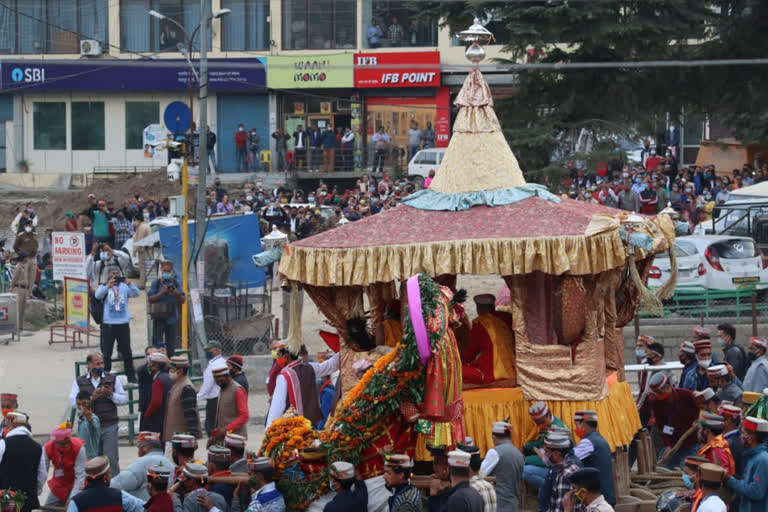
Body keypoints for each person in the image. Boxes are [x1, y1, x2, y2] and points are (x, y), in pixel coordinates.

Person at [69, 352, 128, 475]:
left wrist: (111, 395)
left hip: (109, 425)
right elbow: (73, 403)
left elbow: (124, 399)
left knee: (111, 458)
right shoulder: (80, 381)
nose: (100, 366)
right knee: (91, 459)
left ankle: (114, 486)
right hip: (89, 427)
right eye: (97, 363)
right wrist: (91, 398)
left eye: (102, 363)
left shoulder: (112, 378)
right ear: (90, 365)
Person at [265, 345, 340, 428]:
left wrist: (268, 431)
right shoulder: (310, 368)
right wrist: (344, 350)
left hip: (292, 429)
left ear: (287, 356)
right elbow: (330, 365)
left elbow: (276, 409)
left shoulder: (284, 376)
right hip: (311, 426)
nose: (277, 359)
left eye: (279, 355)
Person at [94, 269, 140, 382]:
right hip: (108, 324)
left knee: (127, 352)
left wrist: (129, 283)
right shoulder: (104, 285)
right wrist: (107, 287)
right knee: (107, 353)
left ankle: (131, 376)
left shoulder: (124, 286)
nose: (115, 275)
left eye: (117, 273)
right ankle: (105, 377)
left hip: (123, 323)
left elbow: (136, 293)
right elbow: (97, 296)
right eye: (113, 273)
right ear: (109, 274)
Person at [649, 372, 700, 469]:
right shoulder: (657, 403)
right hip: (672, 444)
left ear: (668, 386)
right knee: (661, 469)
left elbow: (701, 408)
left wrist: (698, 421)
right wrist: (668, 445)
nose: (659, 396)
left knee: (687, 472)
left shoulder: (686, 395)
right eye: (656, 393)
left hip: (691, 443)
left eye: (660, 392)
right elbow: (662, 426)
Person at [462, 294, 516, 385]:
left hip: (490, 373)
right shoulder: (508, 317)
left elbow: (471, 351)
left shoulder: (480, 323)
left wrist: (462, 360)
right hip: (514, 367)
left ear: (478, 309)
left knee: (458, 369)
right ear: (493, 306)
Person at [0, 412, 44, 512]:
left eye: (7, 424)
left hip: (5, 501)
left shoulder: (3, 444)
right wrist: (34, 491)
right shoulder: (38, 447)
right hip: (27, 501)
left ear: (13, 425)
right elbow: (42, 475)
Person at [67, 457, 145, 512]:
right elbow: (144, 507)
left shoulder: (76, 501)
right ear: (105, 477)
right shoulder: (120, 496)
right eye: (109, 473)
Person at [110, 432, 172, 500]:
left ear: (145, 448)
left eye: (139, 447)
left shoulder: (143, 462)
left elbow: (119, 483)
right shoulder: (170, 464)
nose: (138, 452)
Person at [572, 411, 616, 506]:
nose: (576, 429)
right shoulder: (600, 439)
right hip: (606, 495)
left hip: (598, 499)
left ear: (583, 425)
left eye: (576, 425)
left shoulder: (588, 442)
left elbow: (568, 458)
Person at [725, 417, 768, 510]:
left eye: (743, 433)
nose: (741, 436)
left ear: (752, 437)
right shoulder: (752, 456)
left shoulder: (762, 459)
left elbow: (756, 492)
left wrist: (730, 480)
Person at [479, 421, 522, 511]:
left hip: (499, 504)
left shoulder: (494, 452)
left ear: (493, 437)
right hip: (514, 504)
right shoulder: (519, 454)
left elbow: (479, 475)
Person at [523, 402, 567, 489]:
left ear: (547, 415)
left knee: (524, 470)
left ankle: (549, 490)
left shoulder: (557, 429)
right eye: (535, 422)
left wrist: (526, 460)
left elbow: (549, 460)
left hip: (556, 467)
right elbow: (540, 442)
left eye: (539, 421)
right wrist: (526, 446)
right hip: (545, 457)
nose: (537, 424)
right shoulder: (546, 424)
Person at [148, 260, 186, 356]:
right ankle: (159, 364)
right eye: (165, 271)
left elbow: (183, 300)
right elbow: (150, 299)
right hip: (159, 318)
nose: (166, 273)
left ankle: (170, 366)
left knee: (171, 345)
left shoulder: (176, 283)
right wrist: (162, 292)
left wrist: (176, 292)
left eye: (168, 272)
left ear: (171, 271)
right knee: (157, 345)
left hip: (172, 318)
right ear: (161, 270)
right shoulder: (156, 283)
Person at [42, 423, 87, 506]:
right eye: (62, 444)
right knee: (47, 508)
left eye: (68, 442)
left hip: (79, 484)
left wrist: (72, 498)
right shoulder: (47, 448)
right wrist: (36, 490)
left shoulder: (79, 447)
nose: (66, 445)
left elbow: (80, 476)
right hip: (59, 485)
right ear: (55, 442)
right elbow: (42, 472)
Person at [163, 356, 202, 442]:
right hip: (175, 438)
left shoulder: (186, 388)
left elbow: (191, 415)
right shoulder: (177, 384)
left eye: (171, 369)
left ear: (179, 371)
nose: (169, 372)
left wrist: (192, 438)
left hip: (181, 440)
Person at [210, 361, 249, 441]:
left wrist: (226, 430)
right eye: (216, 380)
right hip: (223, 438)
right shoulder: (222, 388)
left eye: (220, 379)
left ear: (227, 376)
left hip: (236, 439)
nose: (218, 382)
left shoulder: (237, 390)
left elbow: (244, 416)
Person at [542, 434, 581, 512]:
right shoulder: (563, 469)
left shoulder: (566, 474)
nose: (545, 454)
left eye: (546, 451)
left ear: (556, 454)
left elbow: (560, 508)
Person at [142, 353, 173, 438]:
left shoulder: (158, 380)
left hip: (159, 419)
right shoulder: (169, 376)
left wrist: (146, 415)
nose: (149, 366)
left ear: (156, 366)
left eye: (151, 364)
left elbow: (156, 403)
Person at [197, 340, 225, 435]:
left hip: (214, 399)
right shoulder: (221, 362)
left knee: (212, 426)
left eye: (210, 350)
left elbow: (208, 385)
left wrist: (198, 397)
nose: (207, 352)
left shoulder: (215, 365)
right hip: (219, 397)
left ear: (217, 350)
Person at [9, 251, 33, 334]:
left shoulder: (24, 266)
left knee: (23, 310)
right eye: (26, 257)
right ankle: (16, 329)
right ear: (23, 258)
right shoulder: (18, 267)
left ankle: (21, 328)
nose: (27, 258)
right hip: (18, 289)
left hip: (24, 290)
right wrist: (11, 289)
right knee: (18, 309)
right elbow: (14, 279)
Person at [719, 404, 744, 479]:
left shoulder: (731, 443)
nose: (718, 422)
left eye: (721, 419)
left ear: (729, 421)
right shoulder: (732, 438)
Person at [74, 391, 101, 459]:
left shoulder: (94, 418)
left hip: (91, 457)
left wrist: (89, 418)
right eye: (78, 404)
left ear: (89, 403)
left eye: (83, 404)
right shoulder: (80, 419)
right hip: (81, 456)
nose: (81, 407)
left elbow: (94, 425)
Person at [132, 216, 152, 289]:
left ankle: (142, 284)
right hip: (148, 250)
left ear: (138, 220)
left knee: (143, 268)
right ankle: (148, 285)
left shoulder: (142, 227)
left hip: (143, 251)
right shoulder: (146, 225)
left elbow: (139, 240)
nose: (134, 223)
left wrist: (134, 251)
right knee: (148, 268)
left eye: (135, 221)